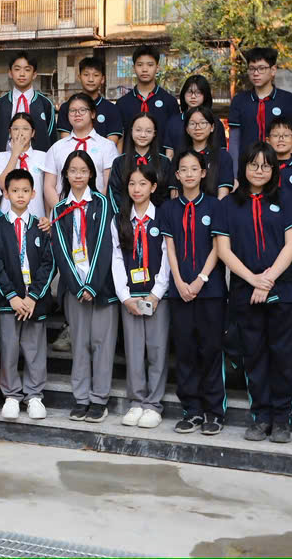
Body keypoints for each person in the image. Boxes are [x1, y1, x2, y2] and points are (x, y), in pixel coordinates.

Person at [213, 142, 292, 443]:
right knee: (254, 355)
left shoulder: (287, 199)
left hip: (282, 290)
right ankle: (261, 416)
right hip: (245, 290)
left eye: (266, 165)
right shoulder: (228, 204)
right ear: (244, 168)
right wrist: (253, 280)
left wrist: (267, 280)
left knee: (282, 355)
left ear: (274, 169)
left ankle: (282, 418)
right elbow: (223, 250)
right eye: (253, 165)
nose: (259, 170)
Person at [160, 150, 227, 435]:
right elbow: (170, 247)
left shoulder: (215, 206)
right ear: (177, 175)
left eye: (194, 169)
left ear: (203, 173)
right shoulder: (168, 209)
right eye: (183, 170)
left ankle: (215, 411)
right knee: (185, 350)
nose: (189, 174)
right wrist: (178, 280)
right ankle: (192, 410)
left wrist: (201, 279)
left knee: (210, 349)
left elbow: (218, 247)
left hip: (210, 290)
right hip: (180, 291)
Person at [50, 151, 119, 423]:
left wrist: (92, 284)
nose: (78, 175)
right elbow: (61, 250)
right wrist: (78, 286)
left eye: (83, 170)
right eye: (72, 170)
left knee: (102, 344)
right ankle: (81, 398)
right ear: (66, 175)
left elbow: (104, 246)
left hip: (102, 288)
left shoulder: (103, 204)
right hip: (74, 289)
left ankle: (99, 399)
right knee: (79, 344)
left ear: (91, 174)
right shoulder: (59, 209)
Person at [0, 168, 54, 421]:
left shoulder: (40, 226)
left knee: (34, 348)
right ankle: (12, 395)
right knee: (9, 347)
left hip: (34, 301)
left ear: (33, 193)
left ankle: (34, 395)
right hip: (10, 302)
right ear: (6, 193)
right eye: (14, 191)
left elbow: (49, 263)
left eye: (25, 191)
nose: (20, 195)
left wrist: (33, 296)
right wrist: (13, 297)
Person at [111, 163, 171, 429]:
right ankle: (136, 401)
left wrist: (157, 293)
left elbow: (168, 257)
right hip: (131, 296)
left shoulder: (162, 217)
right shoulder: (120, 219)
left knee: (156, 350)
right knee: (134, 351)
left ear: (153, 187)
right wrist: (124, 296)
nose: (137, 189)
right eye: (132, 184)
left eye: (143, 184)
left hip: (157, 295)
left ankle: (153, 404)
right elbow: (115, 259)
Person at [44, 92, 117, 209]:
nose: (77, 114)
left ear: (92, 114)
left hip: (97, 213)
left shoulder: (107, 146)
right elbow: (49, 186)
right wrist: (63, 211)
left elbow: (108, 185)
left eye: (82, 110)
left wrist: (95, 211)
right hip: (63, 214)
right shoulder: (56, 148)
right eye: (72, 111)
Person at [228, 47, 292, 167]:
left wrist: (291, 169)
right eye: (252, 69)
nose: (256, 73)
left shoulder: (288, 100)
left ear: (273, 70)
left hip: (279, 167)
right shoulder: (239, 100)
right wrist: (234, 173)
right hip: (247, 167)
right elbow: (234, 141)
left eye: (261, 68)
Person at [0, 52, 56, 153]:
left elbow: (51, 136)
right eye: (17, 69)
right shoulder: (0, 104)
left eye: (27, 70)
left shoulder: (45, 104)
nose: (22, 74)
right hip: (7, 158)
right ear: (10, 73)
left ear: (34, 74)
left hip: (37, 159)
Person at [108, 113, 172, 211]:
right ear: (131, 131)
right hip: (125, 217)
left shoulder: (164, 162)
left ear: (154, 133)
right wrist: (125, 215)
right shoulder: (119, 162)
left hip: (157, 217)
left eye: (148, 131)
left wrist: (157, 216)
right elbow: (114, 193)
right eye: (138, 130)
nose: (143, 135)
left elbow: (166, 195)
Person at [56, 57, 123, 147]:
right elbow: (66, 143)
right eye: (86, 74)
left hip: (103, 155)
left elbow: (110, 145)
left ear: (102, 79)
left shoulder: (111, 109)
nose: (91, 79)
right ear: (79, 77)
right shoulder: (67, 107)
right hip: (74, 155)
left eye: (96, 75)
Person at [115, 46, 181, 135]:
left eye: (150, 65)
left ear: (157, 68)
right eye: (140, 65)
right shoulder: (122, 103)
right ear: (133, 68)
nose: (145, 69)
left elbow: (175, 134)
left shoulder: (169, 102)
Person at [0, 113, 50, 220]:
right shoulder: (2, 157)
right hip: (8, 217)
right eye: (15, 129)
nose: (20, 133)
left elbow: (47, 191)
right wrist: (15, 154)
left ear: (32, 133)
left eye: (25, 129)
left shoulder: (43, 157)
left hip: (37, 217)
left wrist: (48, 218)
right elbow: (2, 184)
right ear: (10, 132)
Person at [163, 74, 226, 157]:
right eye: (189, 92)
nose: (193, 97)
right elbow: (169, 155)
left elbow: (222, 155)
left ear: (205, 95)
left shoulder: (215, 123)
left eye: (198, 92)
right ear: (183, 94)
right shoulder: (173, 122)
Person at [183, 105, 234, 199]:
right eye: (192, 123)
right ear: (187, 129)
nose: (197, 127)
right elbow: (175, 194)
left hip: (215, 207)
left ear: (212, 127)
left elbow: (223, 195)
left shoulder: (223, 156)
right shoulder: (181, 156)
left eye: (203, 123)